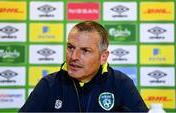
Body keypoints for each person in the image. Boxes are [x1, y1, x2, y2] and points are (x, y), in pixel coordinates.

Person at [19, 21, 148, 112]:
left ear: (103, 57)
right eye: (70, 47)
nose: (73, 56)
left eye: (85, 50)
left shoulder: (121, 83)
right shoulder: (49, 85)